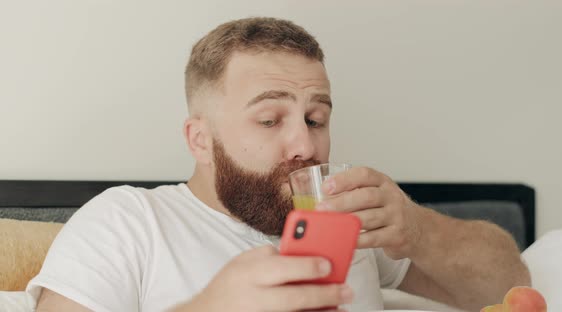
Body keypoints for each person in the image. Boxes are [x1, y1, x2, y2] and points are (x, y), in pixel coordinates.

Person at [28, 17, 530, 312]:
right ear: (199, 140)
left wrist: (419, 229)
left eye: (315, 118)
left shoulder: (349, 222)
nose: (304, 146)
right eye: (270, 120)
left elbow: (512, 283)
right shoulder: (129, 221)